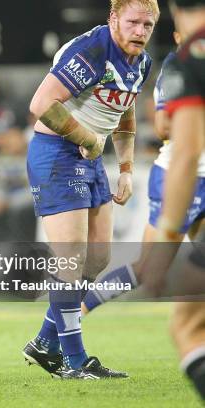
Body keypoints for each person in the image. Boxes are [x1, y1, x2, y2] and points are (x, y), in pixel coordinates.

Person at [22, 0, 158, 379]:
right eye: (133, 22)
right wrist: (87, 137)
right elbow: (41, 103)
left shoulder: (140, 62)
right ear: (113, 18)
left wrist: (127, 167)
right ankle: (74, 361)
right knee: (69, 261)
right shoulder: (93, 50)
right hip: (57, 153)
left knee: (97, 259)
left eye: (148, 25)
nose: (140, 32)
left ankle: (45, 343)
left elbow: (124, 110)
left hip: (90, 155)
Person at [79, 29, 205, 314]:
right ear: (176, 36)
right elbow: (162, 127)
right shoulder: (178, 68)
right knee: (147, 269)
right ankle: (76, 315)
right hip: (182, 176)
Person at [150, 0, 205, 399]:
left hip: (185, 174)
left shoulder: (190, 57)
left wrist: (168, 233)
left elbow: (183, 150)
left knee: (187, 325)